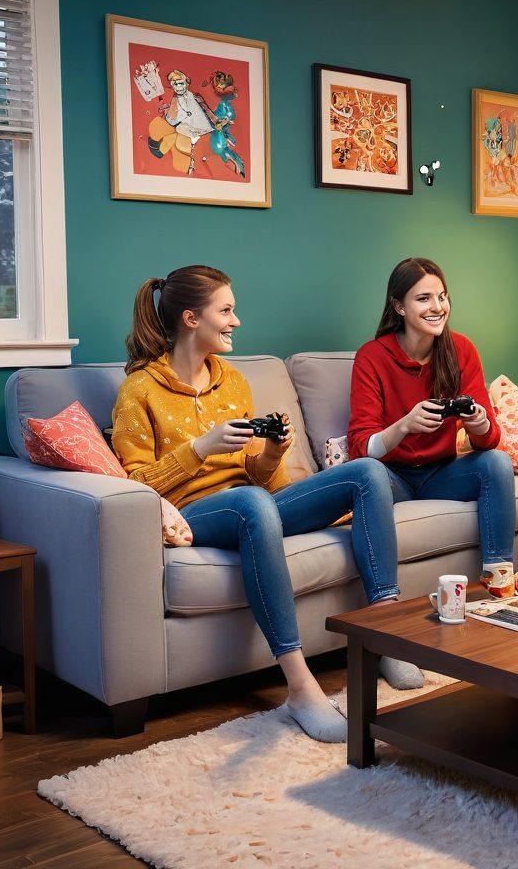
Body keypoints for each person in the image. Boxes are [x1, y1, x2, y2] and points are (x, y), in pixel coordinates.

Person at [112, 265, 422, 744]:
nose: (236, 321)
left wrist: (274, 450)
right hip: (195, 513)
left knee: (367, 473)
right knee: (252, 504)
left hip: (254, 503)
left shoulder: (232, 381)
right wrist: (200, 448)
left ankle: (387, 633)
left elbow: (264, 480)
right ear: (192, 318)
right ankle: (300, 687)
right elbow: (137, 487)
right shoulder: (139, 391)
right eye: (227, 310)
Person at [348, 257, 516, 590]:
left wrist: (478, 421)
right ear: (399, 306)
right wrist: (405, 425)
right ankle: (383, 600)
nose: (437, 307)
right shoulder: (372, 356)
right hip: (392, 478)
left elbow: (489, 441)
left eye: (442, 296)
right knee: (368, 474)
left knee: (496, 463)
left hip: (442, 473)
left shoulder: (461, 349)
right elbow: (360, 448)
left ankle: (499, 579)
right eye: (423, 299)